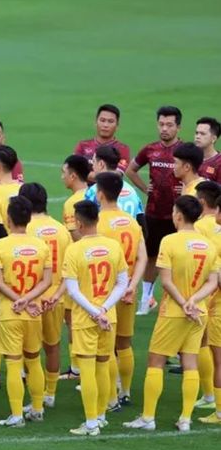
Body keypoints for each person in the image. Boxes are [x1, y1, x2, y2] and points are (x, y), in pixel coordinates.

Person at [124, 196, 218, 432]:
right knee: (191, 362)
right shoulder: (208, 244)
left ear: (178, 215)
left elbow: (165, 281)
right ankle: (185, 419)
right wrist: (194, 301)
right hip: (200, 312)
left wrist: (184, 302)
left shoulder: (169, 241)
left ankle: (148, 418)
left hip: (174, 312)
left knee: (155, 361)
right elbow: (213, 281)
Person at [63, 200, 128, 435]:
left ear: (78, 223)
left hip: (85, 319)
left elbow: (72, 289)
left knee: (88, 370)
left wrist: (93, 311)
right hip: (108, 317)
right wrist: (104, 308)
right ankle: (100, 416)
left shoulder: (74, 249)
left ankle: (90, 423)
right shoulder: (113, 246)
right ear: (97, 220)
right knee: (103, 365)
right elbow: (123, 283)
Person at [0, 196, 52, 427]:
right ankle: (37, 408)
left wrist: (19, 300)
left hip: (10, 312)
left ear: (8, 218)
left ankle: (16, 414)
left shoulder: (0, 245)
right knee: (34, 360)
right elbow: (46, 281)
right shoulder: (40, 245)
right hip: (33, 312)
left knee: (14, 363)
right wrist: (28, 300)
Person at [94, 172, 147, 408]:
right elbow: (143, 257)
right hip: (127, 292)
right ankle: (125, 391)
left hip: (104, 293)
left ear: (100, 194)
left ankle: (110, 397)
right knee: (124, 344)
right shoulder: (131, 221)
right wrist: (132, 286)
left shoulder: (98, 224)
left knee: (106, 347)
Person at [125, 106, 184, 316]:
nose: (164, 129)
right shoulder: (150, 149)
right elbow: (130, 170)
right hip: (153, 212)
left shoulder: (186, 151)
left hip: (180, 216)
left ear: (178, 127)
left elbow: (199, 174)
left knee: (177, 258)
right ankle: (146, 299)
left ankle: (176, 299)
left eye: (169, 125)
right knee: (150, 256)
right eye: (161, 124)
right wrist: (144, 188)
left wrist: (186, 188)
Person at [20, 183, 71, 408]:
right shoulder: (61, 229)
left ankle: (36, 398)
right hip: (56, 297)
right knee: (53, 346)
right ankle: (50, 393)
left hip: (32, 298)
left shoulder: (27, 230)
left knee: (29, 351)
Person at [193, 181, 221, 411]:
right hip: (212, 293)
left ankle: (210, 394)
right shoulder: (216, 225)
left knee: (205, 344)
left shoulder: (200, 227)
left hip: (206, 294)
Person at [84, 145, 145, 223]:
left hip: (105, 234)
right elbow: (141, 222)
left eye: (94, 161)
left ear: (101, 164)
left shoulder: (94, 191)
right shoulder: (132, 191)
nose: (92, 166)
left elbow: (87, 223)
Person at [74, 104, 131, 181]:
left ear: (117, 125)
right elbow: (76, 171)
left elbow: (117, 174)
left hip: (108, 192)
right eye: (102, 120)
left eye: (110, 121)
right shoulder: (82, 146)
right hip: (84, 192)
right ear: (96, 122)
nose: (105, 125)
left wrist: (87, 175)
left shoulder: (123, 149)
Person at [61, 154, 90, 241]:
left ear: (73, 176)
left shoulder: (72, 203)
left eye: (63, 172)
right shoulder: (95, 194)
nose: (62, 177)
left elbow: (76, 237)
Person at [196, 117, 221, 183]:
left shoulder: (219, 163)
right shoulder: (190, 158)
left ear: (214, 139)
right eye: (196, 133)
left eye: (202, 134)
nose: (197, 136)